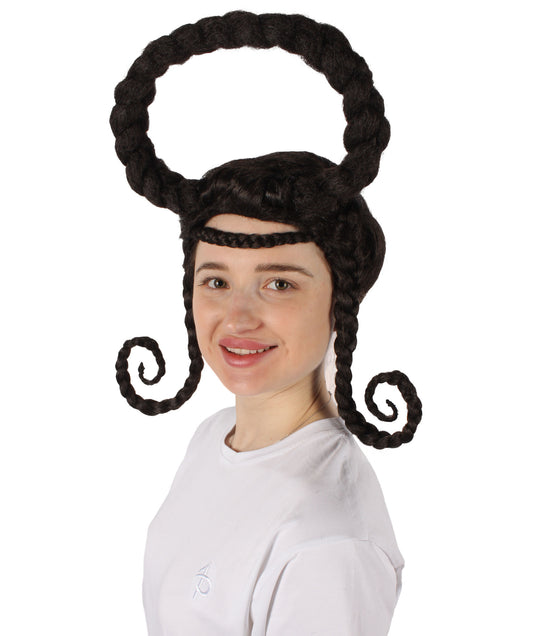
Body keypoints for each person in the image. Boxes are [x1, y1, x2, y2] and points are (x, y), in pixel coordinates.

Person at [110, 11, 422, 635]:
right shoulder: (214, 437)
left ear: (340, 297)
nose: (237, 317)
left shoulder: (327, 539)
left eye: (279, 283)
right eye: (216, 281)